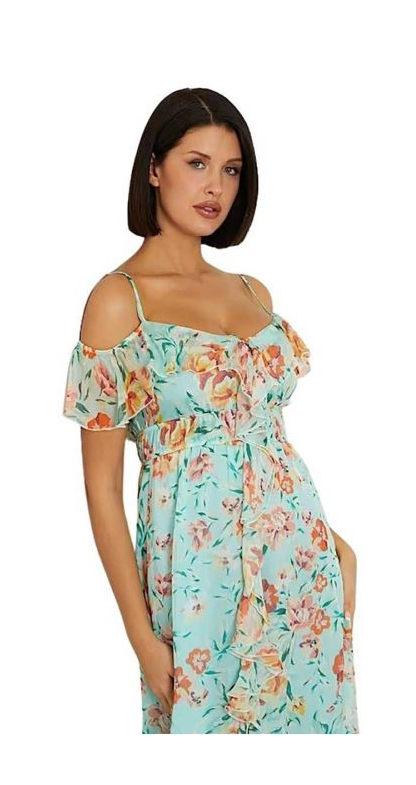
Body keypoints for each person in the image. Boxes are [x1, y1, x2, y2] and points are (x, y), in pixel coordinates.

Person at [63, 87, 359, 734]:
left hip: (300, 566)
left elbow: (267, 440)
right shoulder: (120, 301)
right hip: (198, 574)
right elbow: (101, 488)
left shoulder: (251, 291)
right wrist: (141, 638)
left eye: (231, 169)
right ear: (154, 168)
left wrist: (337, 548)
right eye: (196, 163)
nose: (215, 187)